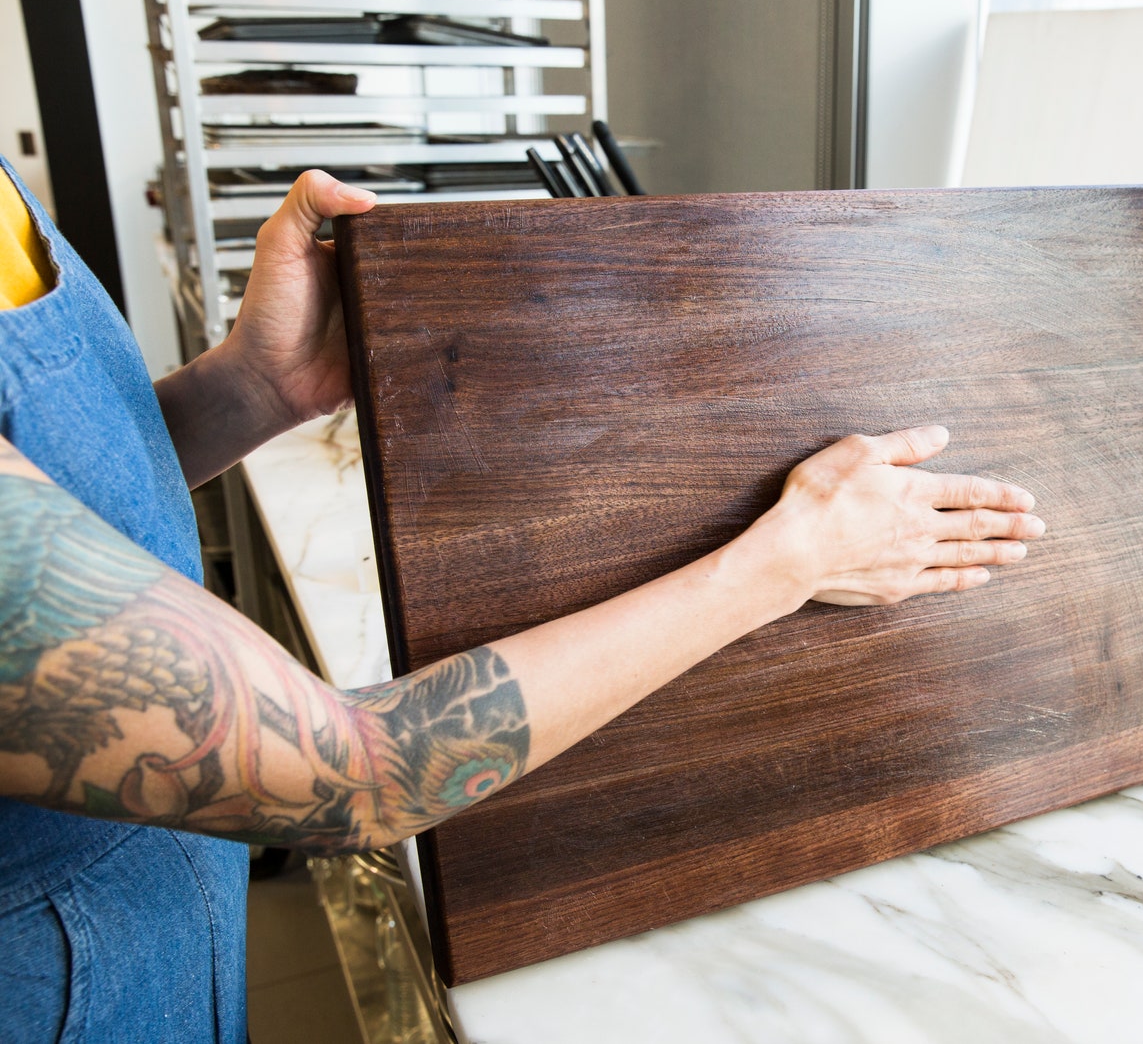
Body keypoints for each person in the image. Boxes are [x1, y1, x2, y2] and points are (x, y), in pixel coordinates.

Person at [0, 157, 1044, 1041]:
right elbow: (354, 774)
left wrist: (255, 385)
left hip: (156, 902)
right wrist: (787, 561)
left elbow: (70, 496)